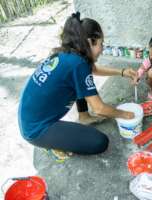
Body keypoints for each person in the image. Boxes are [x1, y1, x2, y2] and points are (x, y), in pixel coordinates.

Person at [18, 12, 137, 158]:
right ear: (89, 42)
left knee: (80, 83)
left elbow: (91, 70)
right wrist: (124, 114)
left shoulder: (67, 54)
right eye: (101, 43)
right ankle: (52, 143)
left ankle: (84, 116)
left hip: (28, 118)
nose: (102, 48)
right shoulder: (78, 64)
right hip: (37, 130)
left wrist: (123, 72)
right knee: (100, 142)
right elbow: (99, 108)